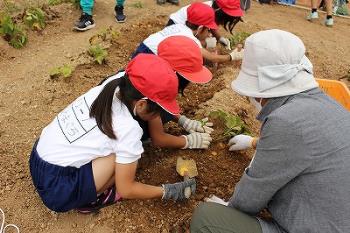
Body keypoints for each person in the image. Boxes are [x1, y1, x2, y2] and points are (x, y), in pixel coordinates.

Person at [190, 29, 350, 232]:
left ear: (261, 92)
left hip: (314, 225)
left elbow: (251, 198)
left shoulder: (286, 120)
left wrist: (231, 209)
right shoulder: (331, 106)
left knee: (207, 218)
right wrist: (252, 142)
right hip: (334, 216)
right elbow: (308, 149)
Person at [29, 54, 196, 214]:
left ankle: (85, 186)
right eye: (158, 112)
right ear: (141, 105)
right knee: (125, 159)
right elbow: (127, 189)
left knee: (120, 150)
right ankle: (92, 200)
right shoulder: (128, 129)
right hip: (57, 190)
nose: (158, 116)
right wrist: (167, 191)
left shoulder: (117, 82)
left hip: (38, 158)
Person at [134, 35, 214, 149]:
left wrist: (182, 120)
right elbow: (158, 139)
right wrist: (187, 141)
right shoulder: (154, 88)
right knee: (158, 113)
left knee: (164, 111)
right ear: (175, 74)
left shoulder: (149, 70)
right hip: (108, 132)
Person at [132, 2, 244, 63]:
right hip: (148, 58)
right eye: (208, 29)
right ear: (200, 29)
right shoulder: (190, 39)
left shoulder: (181, 27)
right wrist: (231, 56)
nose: (210, 32)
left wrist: (219, 38)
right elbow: (212, 57)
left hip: (142, 50)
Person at [167, 0, 244, 50]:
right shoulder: (203, 12)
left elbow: (210, 25)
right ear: (221, 12)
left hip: (187, 28)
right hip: (175, 27)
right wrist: (205, 43)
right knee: (188, 49)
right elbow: (189, 44)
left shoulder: (213, 9)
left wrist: (219, 38)